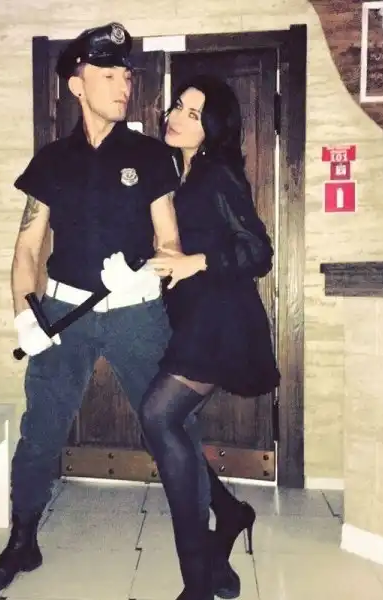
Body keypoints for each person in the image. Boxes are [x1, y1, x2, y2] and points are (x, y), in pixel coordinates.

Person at [0, 23, 243, 597]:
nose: (124, 86)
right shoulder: (51, 161)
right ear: (78, 84)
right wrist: (26, 314)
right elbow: (27, 248)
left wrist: (144, 272)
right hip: (63, 312)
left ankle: (203, 548)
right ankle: (23, 540)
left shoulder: (150, 156)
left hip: (136, 315)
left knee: (173, 429)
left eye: (126, 75)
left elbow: (169, 241)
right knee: (41, 429)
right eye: (110, 75)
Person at [139, 76, 281, 600]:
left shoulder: (216, 173)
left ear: (213, 127)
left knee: (158, 416)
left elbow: (259, 252)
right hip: (192, 316)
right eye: (178, 106)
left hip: (220, 317)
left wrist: (195, 261)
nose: (176, 117)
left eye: (194, 114)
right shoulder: (178, 172)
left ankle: (197, 583)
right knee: (164, 424)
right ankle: (229, 511)